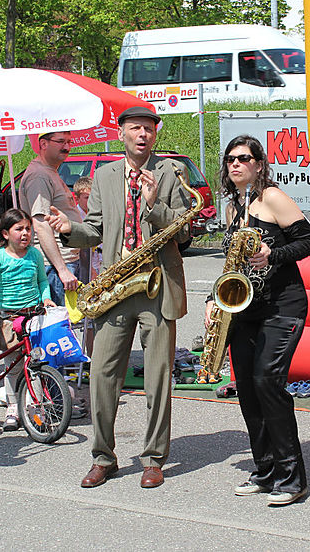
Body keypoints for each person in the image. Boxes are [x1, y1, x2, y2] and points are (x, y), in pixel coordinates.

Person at [44, 106, 189, 489]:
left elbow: (184, 232)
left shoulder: (172, 173)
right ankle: (103, 457)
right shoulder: (105, 174)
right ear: (121, 133)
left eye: (149, 129)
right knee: (103, 375)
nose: (143, 135)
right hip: (115, 287)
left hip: (157, 286)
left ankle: (154, 458)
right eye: (135, 128)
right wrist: (67, 228)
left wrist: (155, 202)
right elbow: (93, 229)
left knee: (158, 378)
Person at [208, 135, 310, 506]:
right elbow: (231, 265)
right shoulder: (232, 207)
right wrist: (213, 300)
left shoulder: (271, 197)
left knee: (268, 383)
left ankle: (292, 476)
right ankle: (265, 470)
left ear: (258, 163)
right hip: (246, 310)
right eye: (230, 159)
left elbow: (308, 241)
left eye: (243, 158)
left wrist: (274, 253)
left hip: (282, 305)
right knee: (249, 391)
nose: (235, 164)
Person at [0, 208, 55, 431]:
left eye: (28, 229)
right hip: (9, 319)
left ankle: (37, 408)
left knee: (36, 364)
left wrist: (46, 299)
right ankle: (12, 408)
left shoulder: (35, 254)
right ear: (6, 234)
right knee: (13, 367)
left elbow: (42, 281)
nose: (25, 233)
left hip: (33, 316)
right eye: (19, 229)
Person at [19, 131, 83, 306]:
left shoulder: (49, 172)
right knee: (59, 326)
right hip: (55, 267)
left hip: (64, 262)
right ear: (43, 144)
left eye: (69, 141)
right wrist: (62, 270)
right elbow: (41, 225)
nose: (67, 147)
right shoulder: (39, 176)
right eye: (61, 141)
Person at [72, 175, 98, 358]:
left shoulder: (96, 213)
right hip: (85, 272)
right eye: (87, 198)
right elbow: (81, 251)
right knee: (88, 320)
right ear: (77, 198)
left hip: (99, 265)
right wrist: (92, 271)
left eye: (93, 197)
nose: (91, 201)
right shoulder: (75, 217)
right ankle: (90, 358)